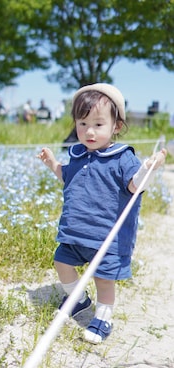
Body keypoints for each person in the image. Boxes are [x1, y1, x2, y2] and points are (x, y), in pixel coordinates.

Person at [37, 83, 167, 344]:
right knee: (62, 262)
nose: (89, 131)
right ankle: (79, 299)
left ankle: (103, 317)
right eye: (82, 123)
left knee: (104, 280)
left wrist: (148, 170)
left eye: (98, 124)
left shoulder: (121, 157)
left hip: (107, 237)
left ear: (116, 126)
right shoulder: (76, 155)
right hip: (75, 232)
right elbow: (68, 177)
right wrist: (53, 164)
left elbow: (134, 186)